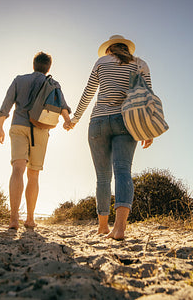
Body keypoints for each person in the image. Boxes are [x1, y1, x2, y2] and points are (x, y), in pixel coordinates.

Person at [66, 35, 153, 240]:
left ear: (109, 50)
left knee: (102, 177)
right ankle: (120, 229)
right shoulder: (140, 64)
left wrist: (75, 119)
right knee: (123, 171)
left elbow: (88, 92)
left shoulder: (101, 62)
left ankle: (102, 227)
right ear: (126, 49)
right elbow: (148, 94)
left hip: (98, 122)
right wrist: (148, 129)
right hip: (126, 121)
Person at [0, 52, 71, 230]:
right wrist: (67, 121)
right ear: (49, 67)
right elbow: (62, 106)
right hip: (40, 130)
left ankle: (14, 219)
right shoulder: (53, 83)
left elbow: (6, 103)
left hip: (19, 126)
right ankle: (30, 219)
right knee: (33, 175)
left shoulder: (19, 80)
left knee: (17, 170)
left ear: (34, 64)